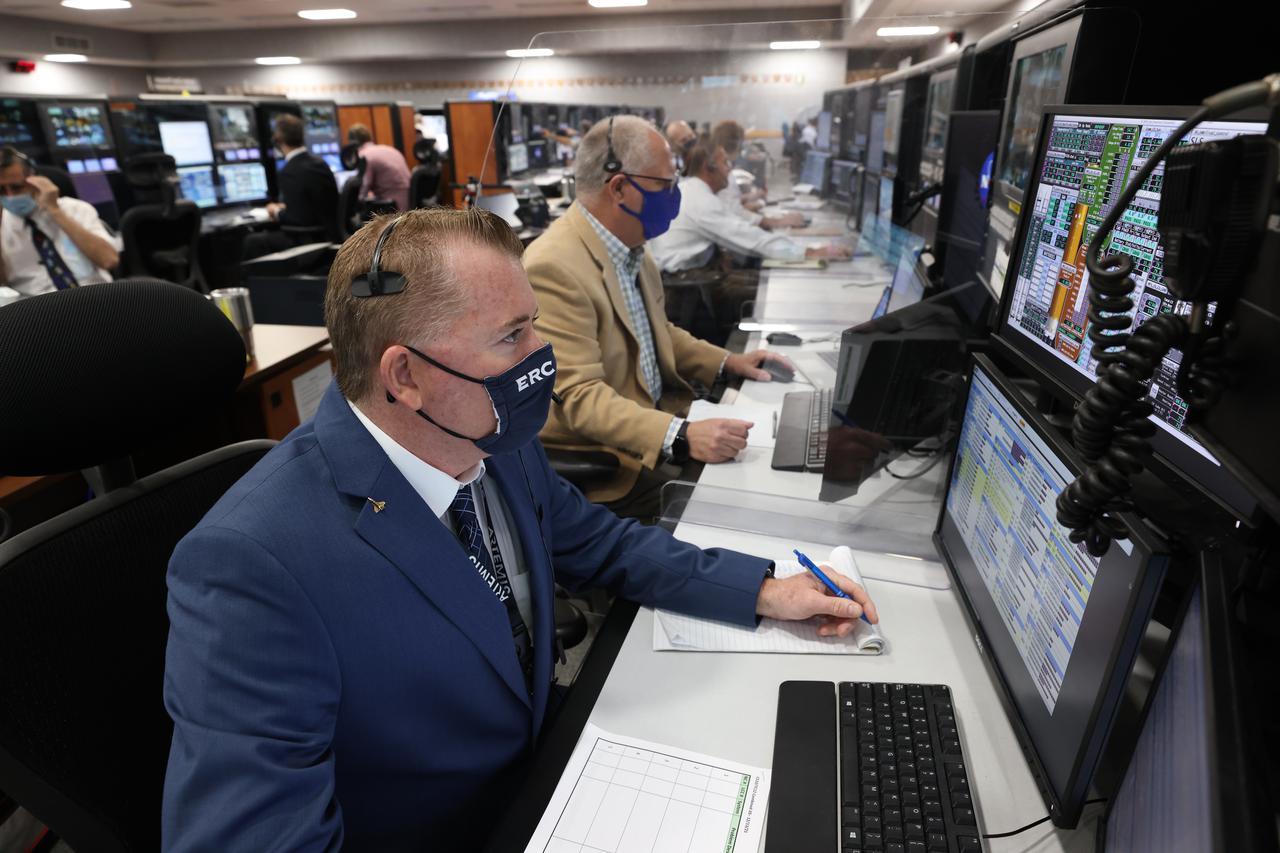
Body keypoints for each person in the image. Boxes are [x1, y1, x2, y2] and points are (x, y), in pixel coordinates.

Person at [161, 206, 879, 851]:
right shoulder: (253, 564)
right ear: (404, 376)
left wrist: (762, 590)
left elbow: (601, 542)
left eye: (533, 321)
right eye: (512, 336)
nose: (544, 354)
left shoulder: (490, 437)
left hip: (554, 772)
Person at [523, 116, 794, 519]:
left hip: (654, 426)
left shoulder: (631, 245)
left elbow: (655, 331)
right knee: (746, 510)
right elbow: (579, 398)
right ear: (619, 189)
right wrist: (681, 437)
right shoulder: (553, 267)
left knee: (764, 480)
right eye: (665, 185)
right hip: (615, 464)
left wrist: (727, 361)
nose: (675, 195)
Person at [650, 141, 850, 273]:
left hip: (688, 275)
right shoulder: (700, 201)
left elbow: (738, 226)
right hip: (685, 284)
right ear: (708, 168)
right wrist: (810, 253)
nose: (729, 169)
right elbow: (750, 239)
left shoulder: (694, 191)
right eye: (725, 163)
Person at [0, 146, 119, 298]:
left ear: (35, 179)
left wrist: (55, 211)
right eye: (1, 190)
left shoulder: (75, 208)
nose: (9, 196)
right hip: (36, 309)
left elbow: (108, 260)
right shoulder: (2, 224)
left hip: (95, 297)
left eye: (17, 187)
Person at [243, 114, 341, 259]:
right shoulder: (320, 163)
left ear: (278, 139)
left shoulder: (289, 171)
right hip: (330, 235)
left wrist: (276, 211)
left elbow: (298, 219)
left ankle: (259, 282)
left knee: (252, 241)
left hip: (307, 241)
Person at [709, 120, 803, 231]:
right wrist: (778, 221)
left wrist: (752, 197)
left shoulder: (724, 167)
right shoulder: (722, 172)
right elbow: (734, 213)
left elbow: (728, 201)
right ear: (738, 145)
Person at [349, 122, 411, 212]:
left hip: (392, 208)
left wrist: (354, 204)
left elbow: (365, 185)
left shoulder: (363, 155)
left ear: (352, 142)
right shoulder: (389, 149)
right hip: (409, 202)